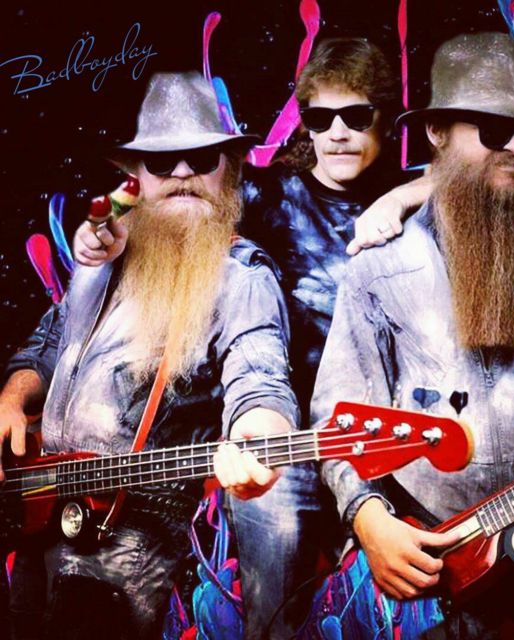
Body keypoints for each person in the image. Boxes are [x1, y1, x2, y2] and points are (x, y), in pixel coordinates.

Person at [73, 38, 432, 639]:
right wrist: (103, 229)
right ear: (305, 123)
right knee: (275, 611)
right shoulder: (269, 193)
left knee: (400, 612)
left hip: (377, 436)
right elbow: (178, 199)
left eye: (356, 116)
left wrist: (401, 196)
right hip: (278, 440)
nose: (337, 133)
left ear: (384, 119)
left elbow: (486, 175)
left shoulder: (417, 205)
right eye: (319, 117)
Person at [311, 32, 514, 639]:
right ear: (437, 132)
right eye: (492, 129)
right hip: (430, 576)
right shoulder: (377, 269)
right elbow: (339, 419)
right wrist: (369, 519)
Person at [0, 71, 299, 639]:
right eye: (163, 162)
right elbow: (45, 347)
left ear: (229, 171)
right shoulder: (106, 257)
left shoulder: (242, 277)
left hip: (135, 555)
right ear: (135, 177)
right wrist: (11, 401)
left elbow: (259, 375)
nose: (183, 173)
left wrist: (259, 438)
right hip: (43, 525)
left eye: (202, 158)